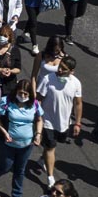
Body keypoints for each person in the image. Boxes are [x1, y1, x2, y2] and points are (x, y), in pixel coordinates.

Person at [35, 55, 83, 189]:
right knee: (51, 147)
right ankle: (50, 178)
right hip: (47, 120)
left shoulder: (76, 83)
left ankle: (42, 159)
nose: (60, 70)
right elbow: (38, 99)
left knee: (52, 144)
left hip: (63, 123)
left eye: (64, 69)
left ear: (72, 71)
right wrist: (37, 118)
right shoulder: (47, 79)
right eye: (60, 67)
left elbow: (78, 103)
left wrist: (77, 123)